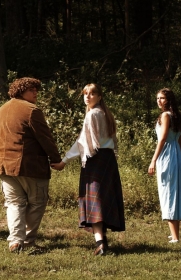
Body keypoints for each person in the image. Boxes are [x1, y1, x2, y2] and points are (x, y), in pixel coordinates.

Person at [51, 83, 125, 256]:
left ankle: (100, 244)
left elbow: (82, 143)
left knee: (96, 201)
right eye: (85, 94)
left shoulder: (93, 114)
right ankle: (103, 241)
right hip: (108, 159)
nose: (88, 97)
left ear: (99, 96)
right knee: (102, 198)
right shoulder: (106, 113)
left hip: (96, 160)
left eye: (92, 94)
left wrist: (64, 161)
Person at [0, 77, 62, 253]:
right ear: (20, 91)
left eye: (36, 90)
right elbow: (45, 138)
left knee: (14, 203)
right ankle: (28, 241)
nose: (35, 93)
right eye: (31, 90)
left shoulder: (2, 109)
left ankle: (15, 241)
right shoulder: (32, 110)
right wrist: (55, 159)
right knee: (37, 202)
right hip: (29, 166)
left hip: (4, 165)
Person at [147, 88, 181, 243]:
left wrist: (153, 160)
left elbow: (163, 138)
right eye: (158, 98)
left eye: (162, 98)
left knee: (169, 193)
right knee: (172, 191)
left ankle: (176, 237)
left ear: (169, 100)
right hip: (176, 155)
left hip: (167, 155)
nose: (159, 101)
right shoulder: (176, 116)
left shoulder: (166, 115)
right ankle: (174, 234)